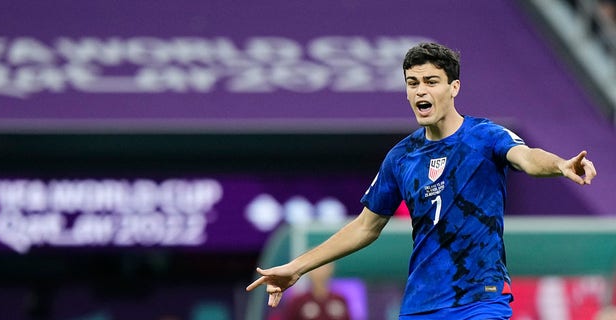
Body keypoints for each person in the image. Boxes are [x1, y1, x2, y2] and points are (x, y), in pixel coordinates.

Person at [246, 42, 597, 319]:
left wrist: (560, 164)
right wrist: (296, 268)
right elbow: (365, 227)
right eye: (412, 84)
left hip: (480, 300)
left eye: (431, 82)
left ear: (454, 87)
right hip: (421, 304)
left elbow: (528, 158)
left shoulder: (485, 136)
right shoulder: (401, 157)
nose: (419, 92)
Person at [282, 263, 350, 320]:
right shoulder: (298, 301)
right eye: (316, 268)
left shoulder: (340, 299)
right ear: (308, 271)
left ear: (331, 269)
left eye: (323, 266)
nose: (320, 271)